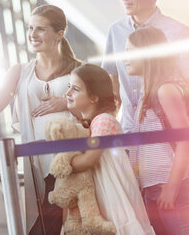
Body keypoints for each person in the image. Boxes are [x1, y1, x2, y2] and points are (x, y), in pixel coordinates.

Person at [0, 5, 81, 234]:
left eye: (41, 29)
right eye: (30, 28)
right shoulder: (20, 71)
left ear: (59, 33)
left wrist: (67, 103)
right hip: (40, 163)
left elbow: (98, 110)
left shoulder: (79, 70)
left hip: (74, 159)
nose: (32, 34)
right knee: (45, 225)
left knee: (74, 222)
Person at [125, 27, 189, 235]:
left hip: (170, 183)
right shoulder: (146, 92)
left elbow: (186, 140)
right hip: (156, 184)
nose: (125, 58)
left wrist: (172, 187)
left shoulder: (165, 90)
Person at [102, 0, 189, 134]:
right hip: (127, 135)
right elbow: (113, 86)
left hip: (167, 140)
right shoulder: (115, 31)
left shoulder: (179, 33)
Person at [66, 63, 155, 235]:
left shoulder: (104, 120)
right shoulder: (90, 124)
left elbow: (89, 159)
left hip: (117, 200)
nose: (68, 92)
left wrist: (63, 164)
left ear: (94, 97)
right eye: (68, 87)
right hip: (106, 198)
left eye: (75, 89)